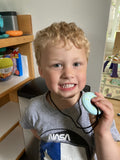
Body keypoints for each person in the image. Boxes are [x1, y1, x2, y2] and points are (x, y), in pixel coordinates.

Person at [20, 22, 120, 160]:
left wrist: (102, 132)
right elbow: (36, 132)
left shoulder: (97, 112)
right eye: (57, 65)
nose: (68, 73)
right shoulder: (33, 108)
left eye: (76, 64)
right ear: (41, 71)